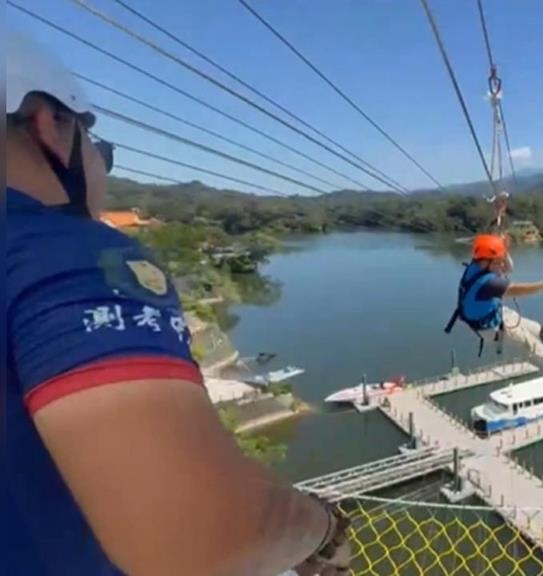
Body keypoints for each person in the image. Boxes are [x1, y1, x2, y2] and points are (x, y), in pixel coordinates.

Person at [5, 30, 349, 576]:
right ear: (49, 124)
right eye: (103, 153)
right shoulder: (61, 258)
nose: (103, 174)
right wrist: (321, 529)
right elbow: (205, 542)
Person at [444, 234, 543, 370]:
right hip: (489, 327)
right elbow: (515, 289)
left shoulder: (475, 266)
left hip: (491, 313)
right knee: (528, 342)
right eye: (499, 262)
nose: (502, 265)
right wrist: (541, 286)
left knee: (521, 320)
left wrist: (503, 249)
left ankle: (542, 332)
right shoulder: (487, 283)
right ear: (487, 262)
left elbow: (508, 268)